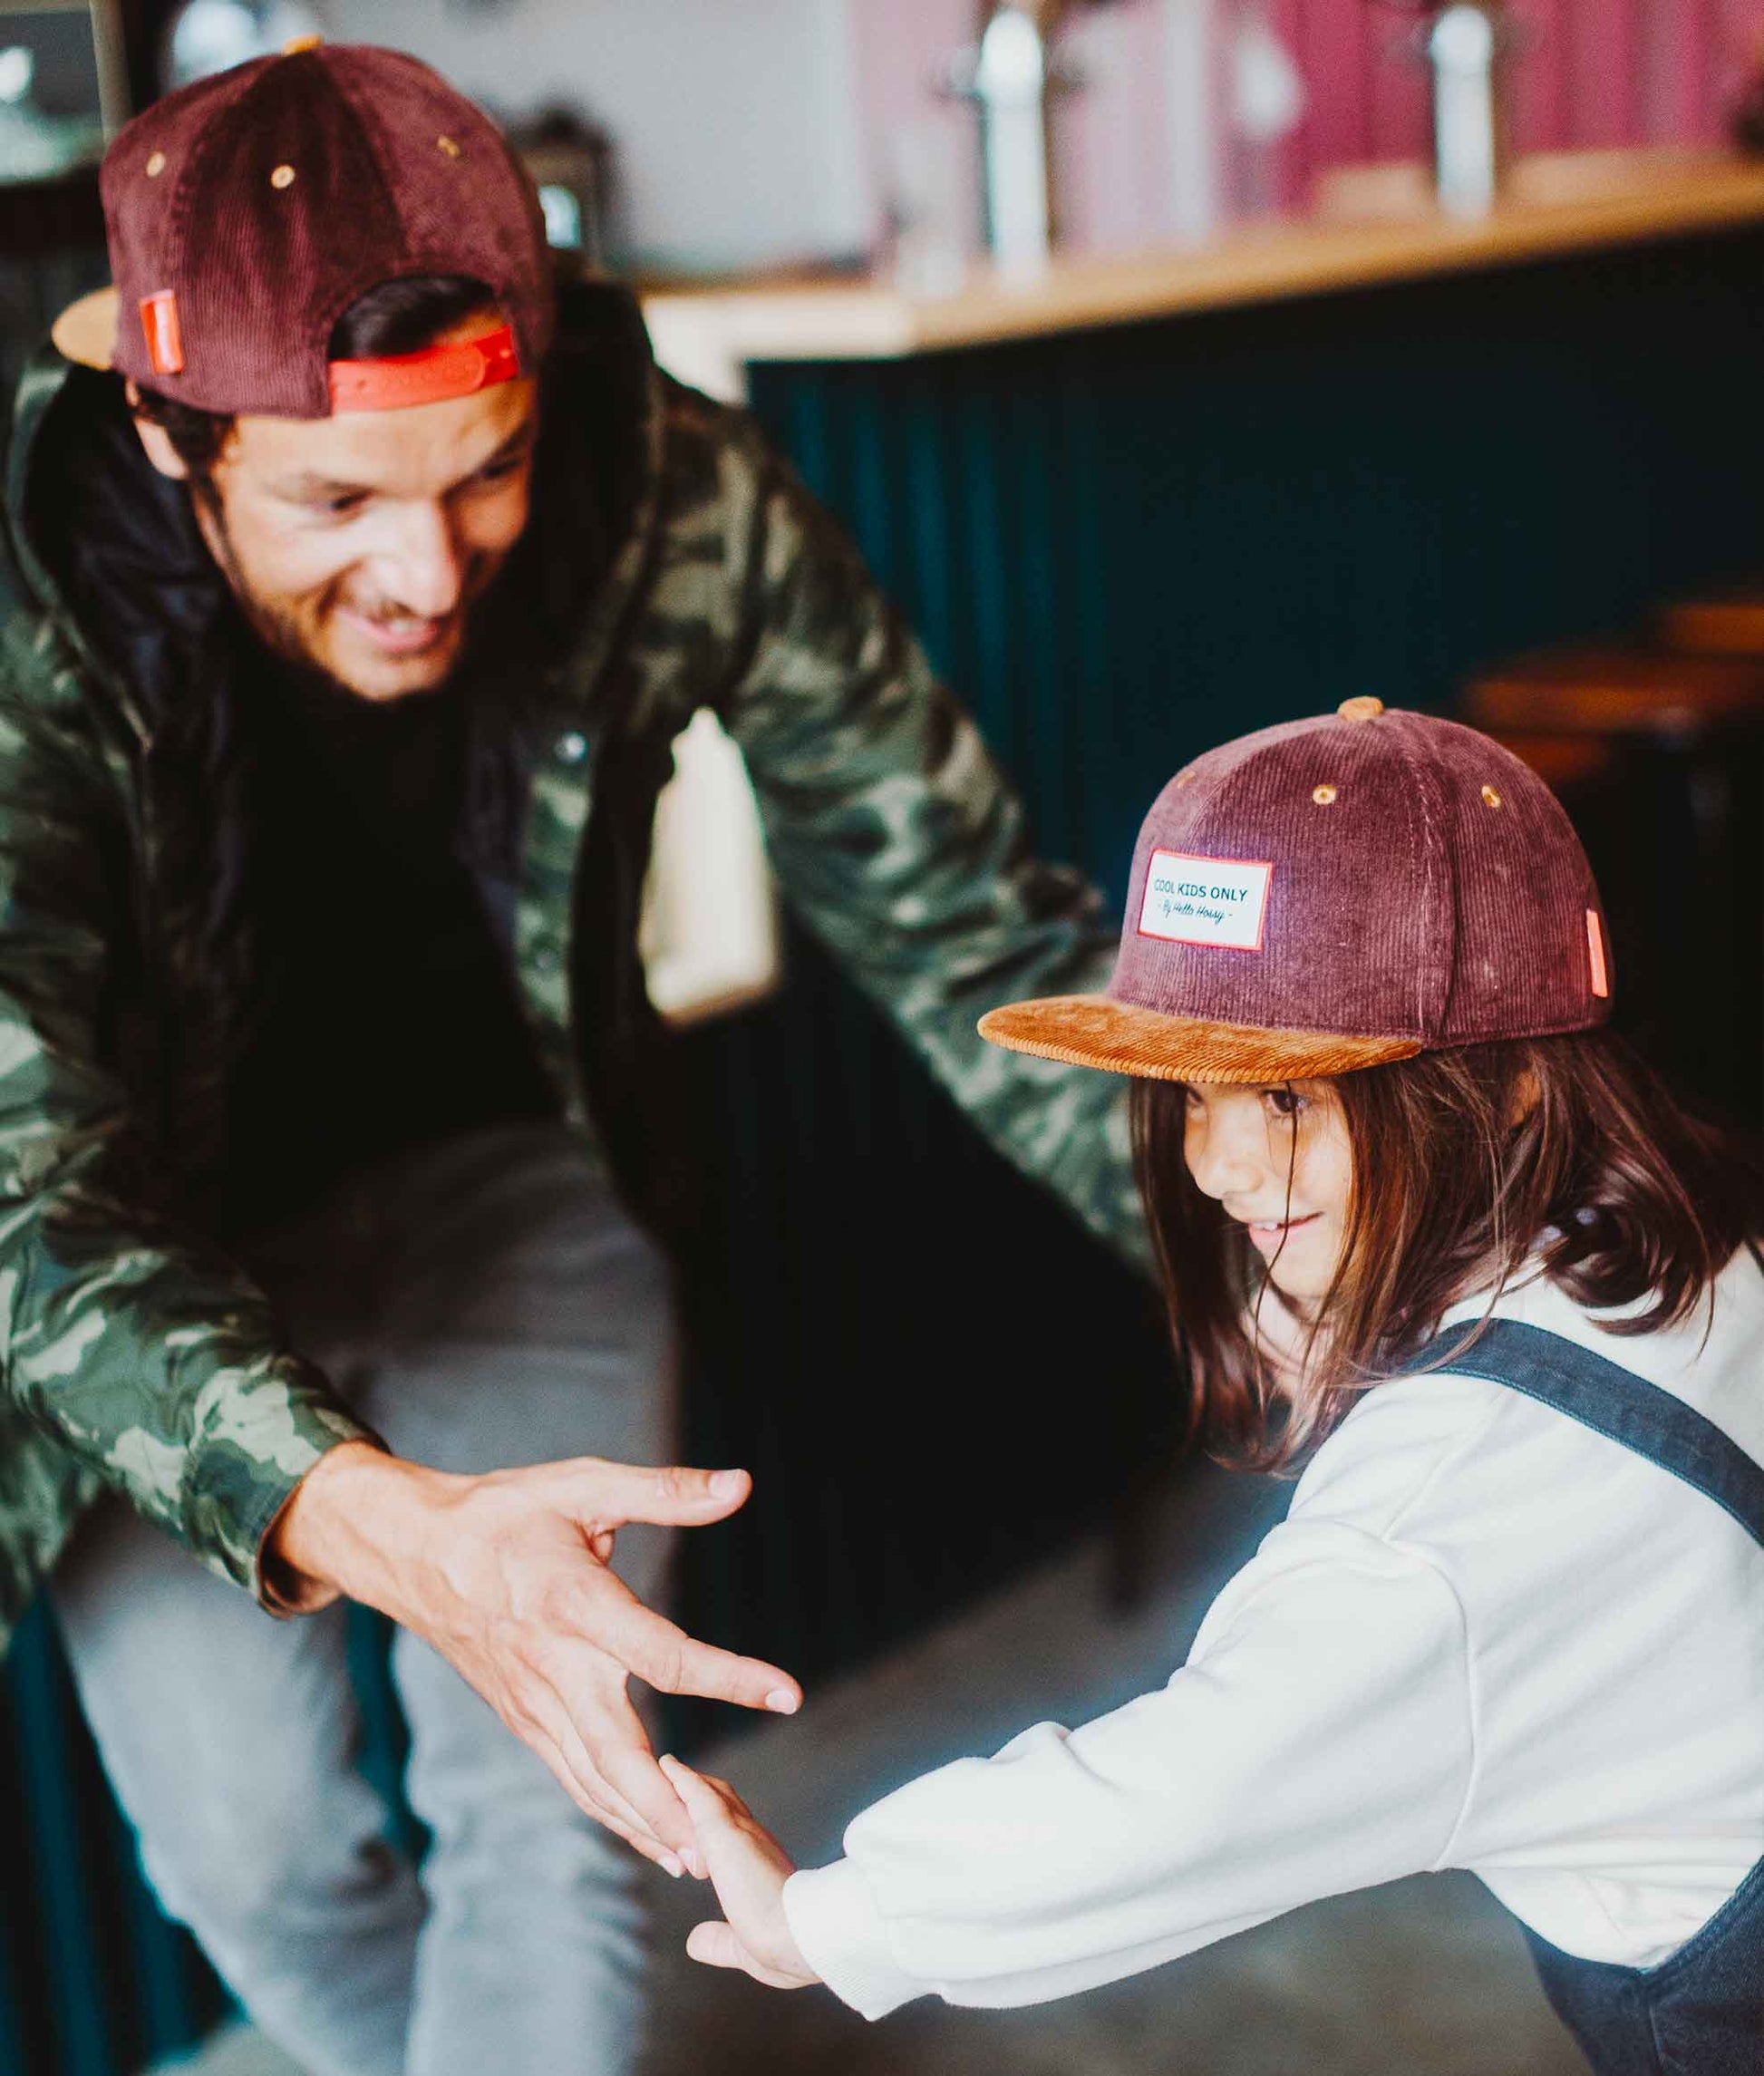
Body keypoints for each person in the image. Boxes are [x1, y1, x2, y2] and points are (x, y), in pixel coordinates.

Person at [0, 41, 1145, 2076]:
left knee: (548, 1796)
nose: (427, 574)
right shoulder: (19, 614)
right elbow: (28, 1203)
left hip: (513, 1179)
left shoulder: (675, 488)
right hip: (146, 1266)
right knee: (247, 1851)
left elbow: (973, 922)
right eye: (334, 500)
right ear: (175, 444)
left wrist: (1331, 1258)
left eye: (484, 476)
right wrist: (407, 1536)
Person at [665, 698, 1764, 2075]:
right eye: (1191, 1089)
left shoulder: (1428, 1539)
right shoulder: (1675, 1240)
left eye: (1289, 1099)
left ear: (1510, 1094)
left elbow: (1180, 1798)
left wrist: (830, 1918)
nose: (1211, 1165)